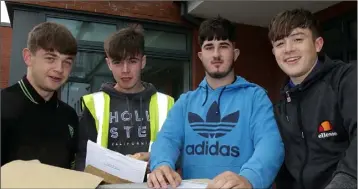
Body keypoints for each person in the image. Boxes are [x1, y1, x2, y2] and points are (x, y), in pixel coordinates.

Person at [147, 16, 284, 189]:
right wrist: (161, 164)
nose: (216, 54)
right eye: (209, 47)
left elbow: (270, 145)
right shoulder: (186, 102)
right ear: (200, 55)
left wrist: (249, 178)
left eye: (224, 46)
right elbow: (166, 140)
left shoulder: (256, 97)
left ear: (235, 53)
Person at [269, 9, 357, 189]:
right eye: (280, 43)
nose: (288, 49)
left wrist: (345, 182)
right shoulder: (280, 108)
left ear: (318, 44)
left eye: (298, 39)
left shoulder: (346, 79)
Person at [74, 25, 175, 177]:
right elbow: (83, 157)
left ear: (143, 62)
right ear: (108, 64)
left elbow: (179, 152)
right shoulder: (93, 104)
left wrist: (156, 158)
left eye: (132, 61)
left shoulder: (167, 104)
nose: (125, 70)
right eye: (117, 62)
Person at [1, 22, 79, 169]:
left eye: (67, 62)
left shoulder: (69, 116)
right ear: (28, 57)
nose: (59, 69)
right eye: (50, 58)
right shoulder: (3, 106)